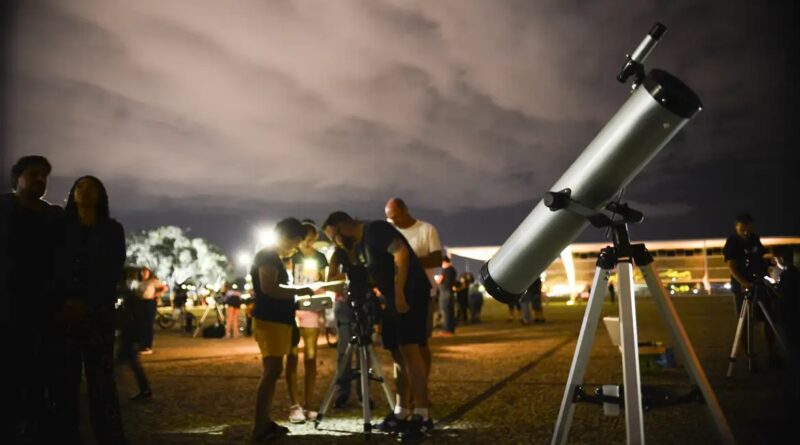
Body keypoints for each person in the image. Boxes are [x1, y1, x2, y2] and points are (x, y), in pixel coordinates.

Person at [323, 211, 433, 442]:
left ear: (343, 225)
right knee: (396, 352)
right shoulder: (361, 246)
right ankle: (402, 410)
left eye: (334, 235)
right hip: (390, 299)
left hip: (410, 292)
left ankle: (422, 416)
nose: (336, 241)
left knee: (410, 350)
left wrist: (400, 292)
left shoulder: (375, 230)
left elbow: (401, 254)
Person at [51, 175, 127, 445]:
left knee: (102, 382)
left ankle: (110, 436)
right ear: (73, 194)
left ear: (101, 196)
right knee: (65, 380)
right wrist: (66, 302)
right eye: (80, 186)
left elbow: (112, 272)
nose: (85, 191)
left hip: (99, 314)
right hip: (64, 314)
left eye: (92, 187)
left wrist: (89, 303)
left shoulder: (112, 230)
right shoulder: (60, 228)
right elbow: (53, 269)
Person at [1, 155, 62, 443]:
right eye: (33, 173)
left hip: (44, 307)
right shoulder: (3, 208)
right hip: (8, 305)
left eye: (44, 176)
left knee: (42, 370)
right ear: (17, 178)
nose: (40, 179)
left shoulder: (54, 216)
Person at [250, 218, 314, 443]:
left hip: (276, 321)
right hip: (271, 321)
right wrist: (301, 291)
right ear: (287, 237)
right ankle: (259, 427)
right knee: (271, 372)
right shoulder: (267, 256)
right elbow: (269, 289)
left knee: (273, 371)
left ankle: (264, 422)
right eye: (296, 242)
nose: (296, 247)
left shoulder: (271, 256)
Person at [385, 198, 442, 380]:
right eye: (389, 218)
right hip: (398, 293)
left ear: (405, 210)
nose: (392, 221)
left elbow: (436, 259)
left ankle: (421, 387)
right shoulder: (391, 233)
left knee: (421, 343)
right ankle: (407, 390)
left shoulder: (426, 230)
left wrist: (408, 262)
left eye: (394, 217)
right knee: (401, 345)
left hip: (422, 292)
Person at [285, 221, 328, 423]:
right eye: (305, 238)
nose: (309, 242)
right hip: (293, 307)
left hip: (311, 306)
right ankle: (295, 405)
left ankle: (308, 403)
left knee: (311, 357)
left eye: (312, 238)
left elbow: (324, 281)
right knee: (292, 356)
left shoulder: (320, 257)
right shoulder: (291, 256)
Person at [722, 212, 777, 370]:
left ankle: (772, 354)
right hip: (743, 287)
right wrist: (743, 282)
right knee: (745, 322)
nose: (746, 233)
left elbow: (760, 257)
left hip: (758, 283)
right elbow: (731, 266)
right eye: (742, 230)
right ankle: (750, 357)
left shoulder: (754, 238)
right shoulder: (732, 241)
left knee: (768, 319)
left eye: (748, 229)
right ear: (737, 227)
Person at [136, 267, 166, 354]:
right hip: (141, 303)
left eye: (146, 272)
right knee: (142, 324)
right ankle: (142, 345)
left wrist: (155, 294)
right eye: (142, 272)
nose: (143, 274)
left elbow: (164, 288)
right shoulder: (141, 282)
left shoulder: (153, 281)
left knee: (148, 324)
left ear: (149, 273)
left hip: (149, 302)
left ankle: (148, 346)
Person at [776, 247, 799, 353]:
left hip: (789, 312)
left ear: (781, 259)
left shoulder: (786, 275)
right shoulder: (796, 272)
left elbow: (781, 292)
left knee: (791, 340)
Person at [435, 256, 457, 335]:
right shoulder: (453, 270)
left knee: (445, 312)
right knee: (450, 312)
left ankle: (446, 330)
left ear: (443, 262)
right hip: (451, 292)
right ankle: (451, 330)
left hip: (444, 293)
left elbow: (439, 281)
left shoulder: (445, 270)